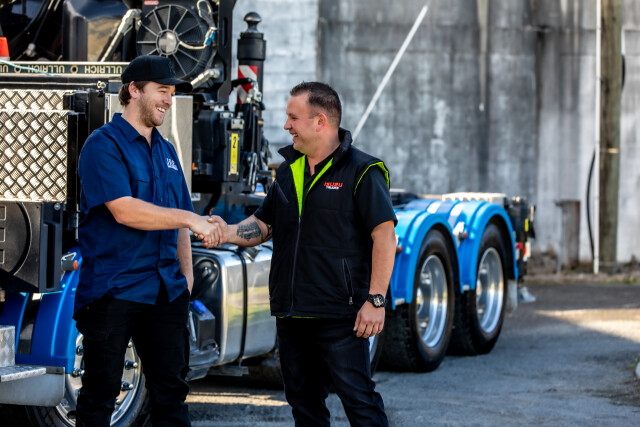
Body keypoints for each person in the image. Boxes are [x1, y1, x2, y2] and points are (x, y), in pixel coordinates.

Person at [212, 82, 397, 426]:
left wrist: (376, 300)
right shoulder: (289, 170)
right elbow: (265, 223)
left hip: (340, 315)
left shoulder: (362, 171)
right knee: (304, 404)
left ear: (320, 121)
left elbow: (384, 237)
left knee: (359, 401)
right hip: (292, 313)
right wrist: (226, 232)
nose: (286, 126)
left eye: (293, 118)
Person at [74, 55, 222, 427]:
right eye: (162, 91)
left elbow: (181, 217)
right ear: (134, 90)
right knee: (100, 396)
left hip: (165, 292)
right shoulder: (103, 145)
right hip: (114, 290)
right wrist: (189, 219)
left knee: (172, 397)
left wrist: (186, 279)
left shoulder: (167, 151)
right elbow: (125, 211)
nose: (169, 100)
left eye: (172, 93)